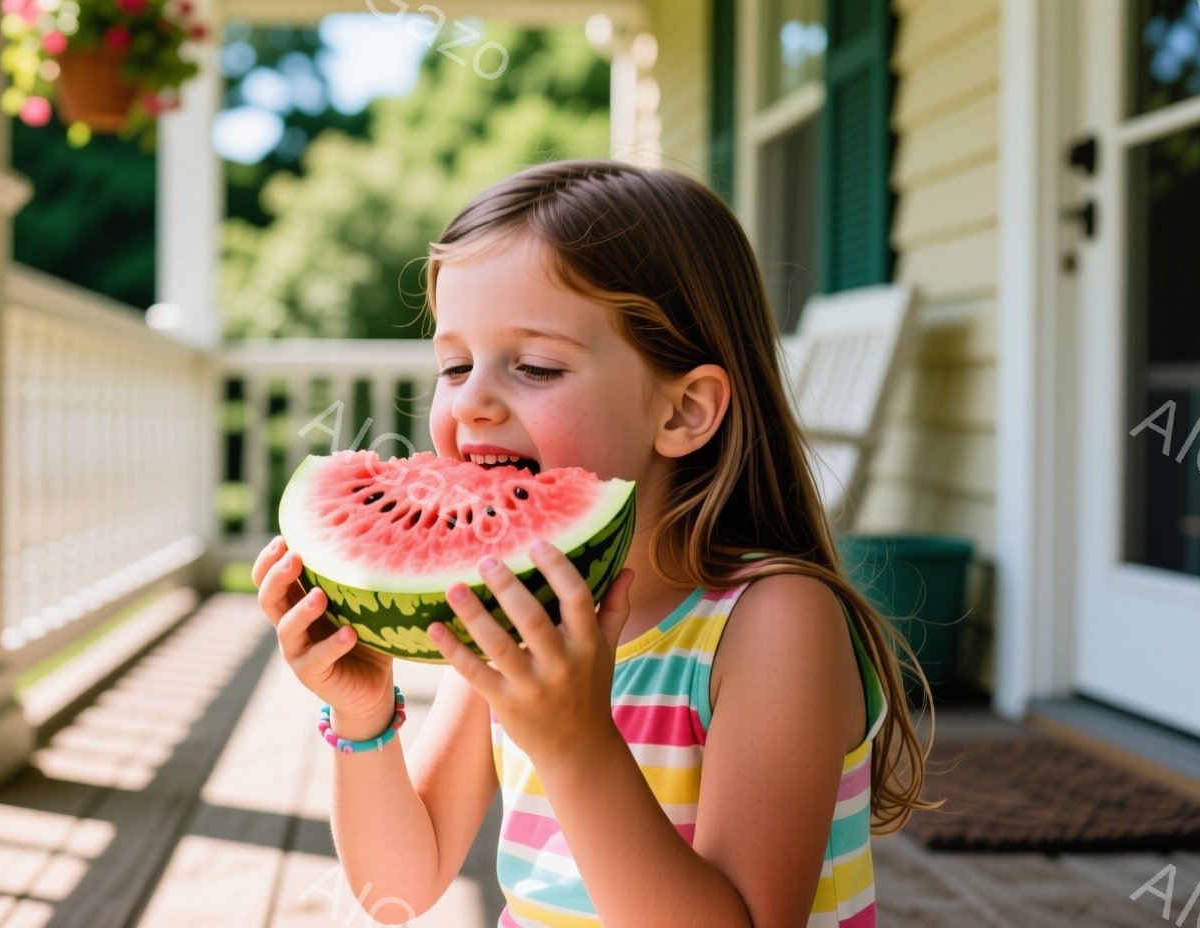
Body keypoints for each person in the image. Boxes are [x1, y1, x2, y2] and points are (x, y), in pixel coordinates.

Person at [252, 158, 939, 928]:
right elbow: (400, 888)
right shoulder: (512, 610)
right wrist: (365, 714)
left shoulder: (774, 622)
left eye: (536, 366)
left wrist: (577, 744)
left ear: (683, 411)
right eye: (454, 364)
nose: (472, 401)